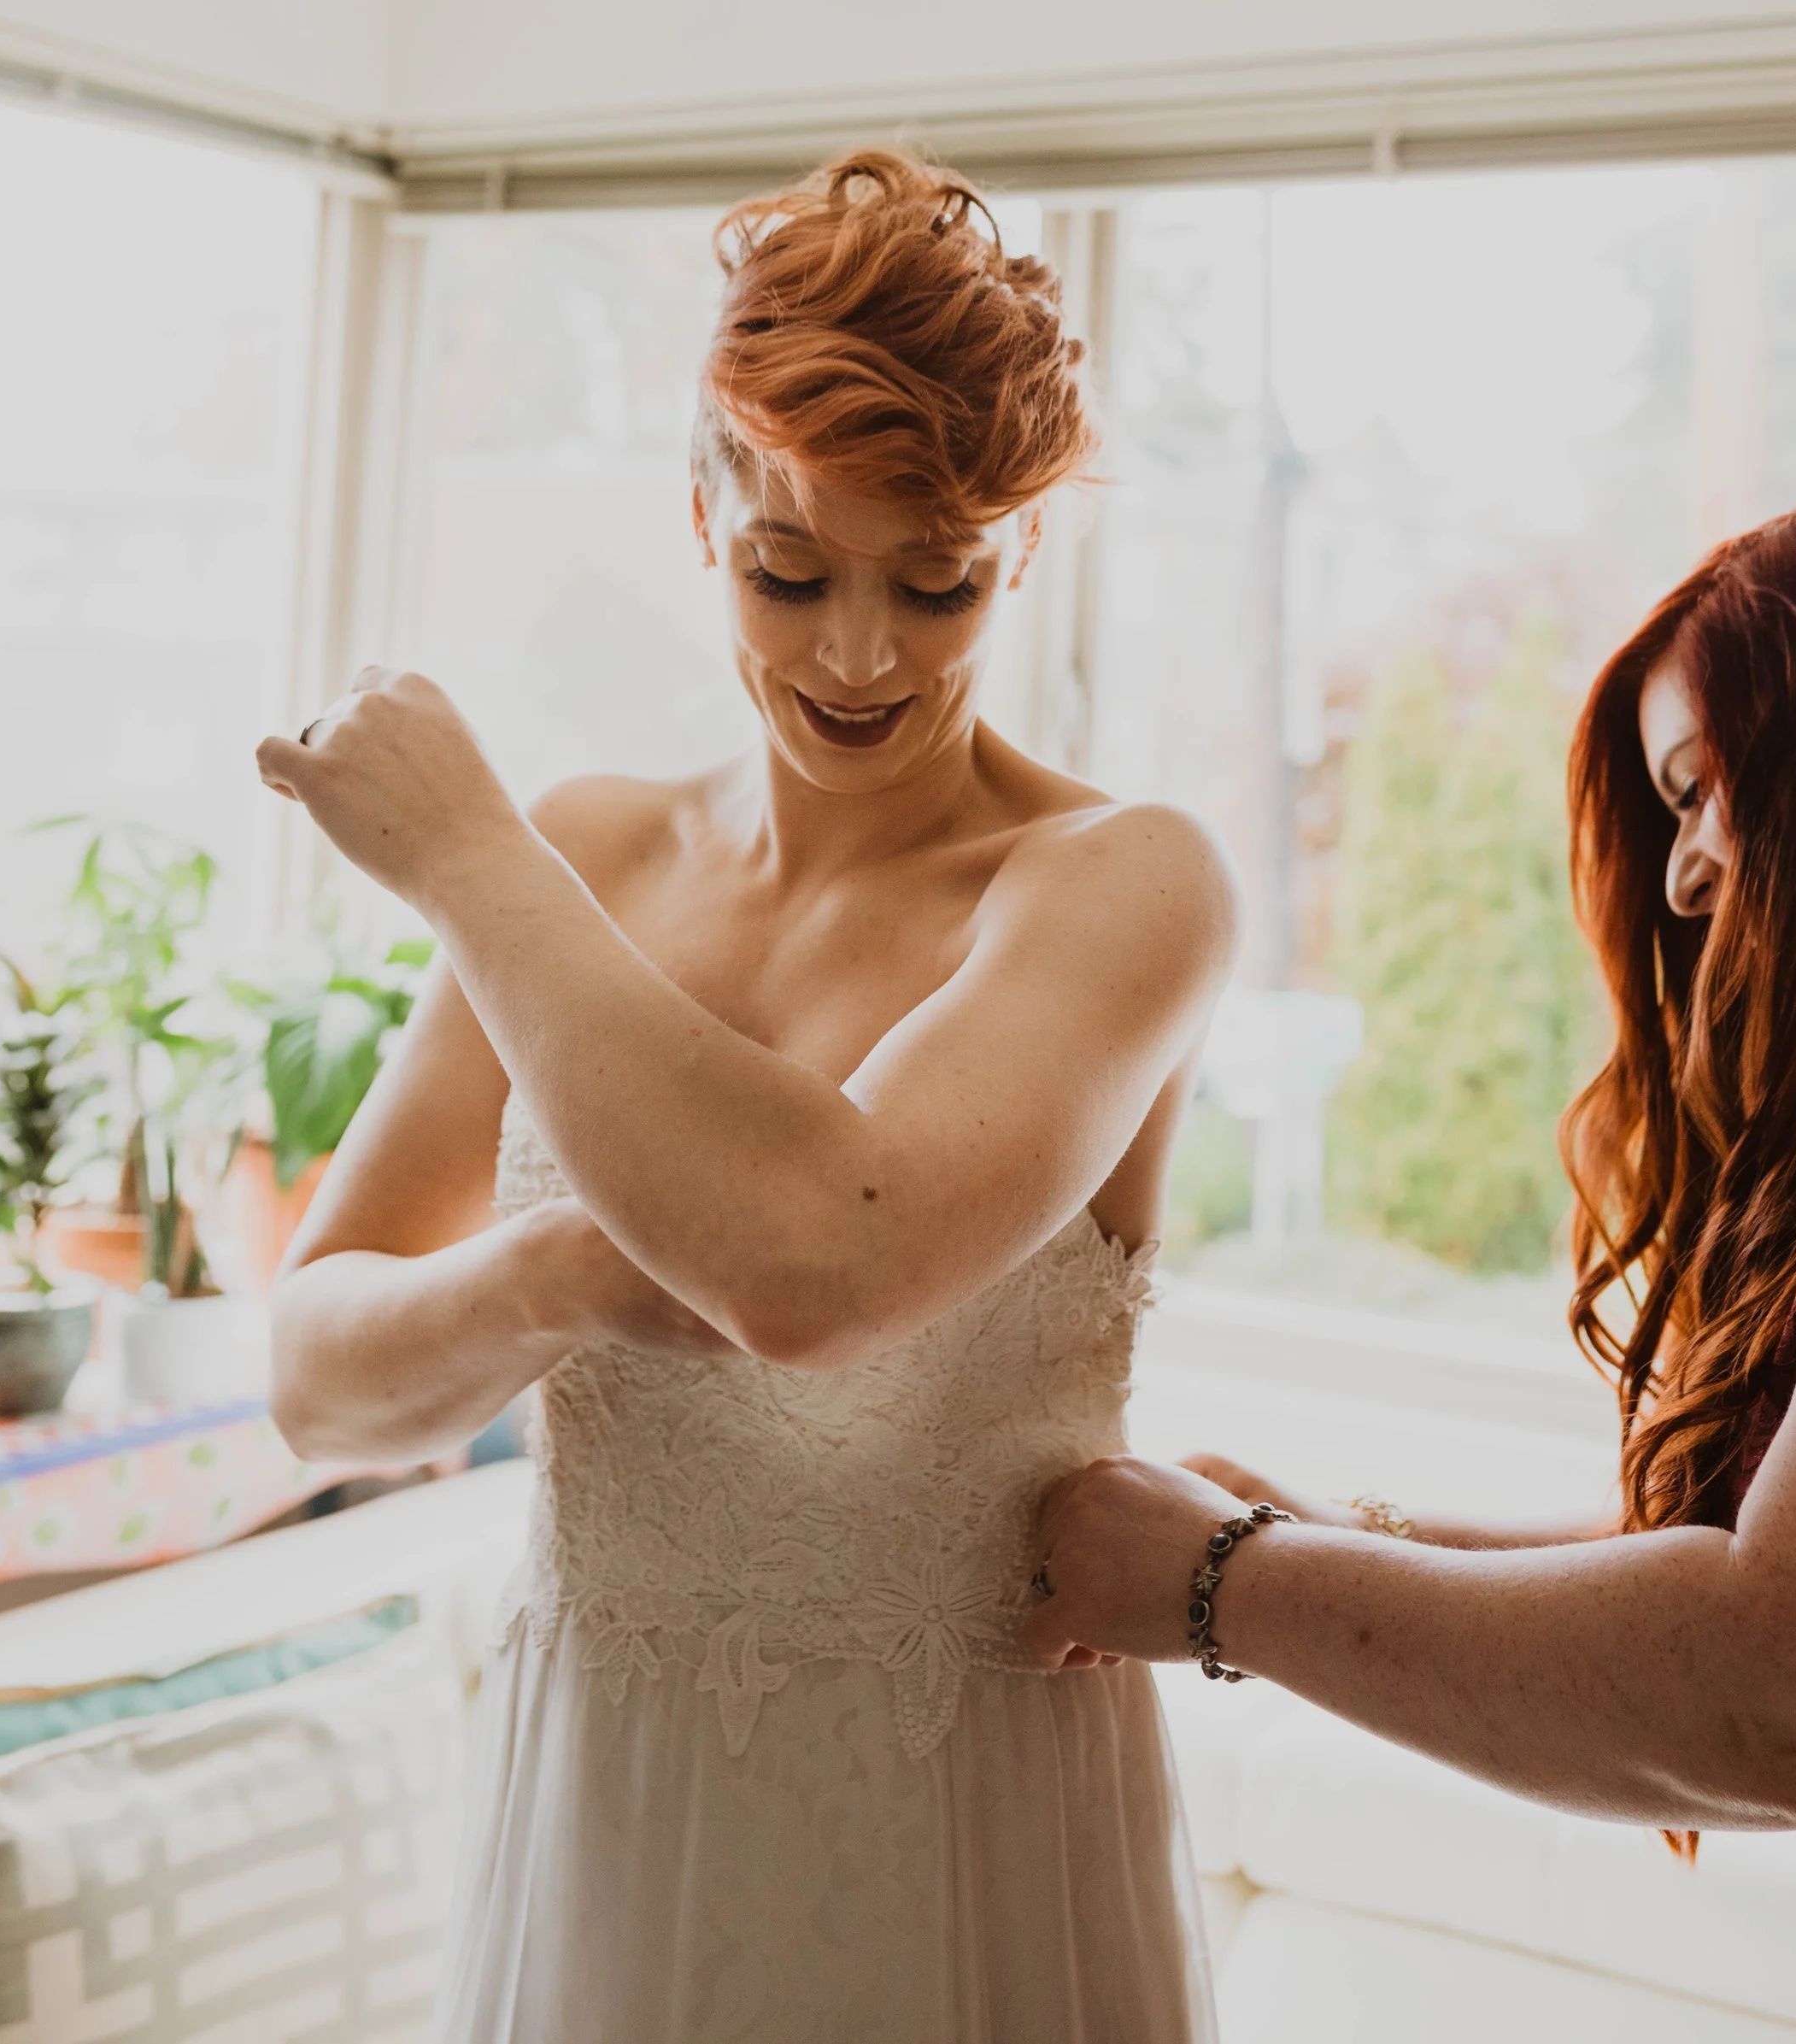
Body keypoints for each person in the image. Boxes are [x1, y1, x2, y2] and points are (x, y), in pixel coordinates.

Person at [260, 150, 1231, 2044]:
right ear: (699, 511)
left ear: (1021, 548)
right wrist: (549, 1275)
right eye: (791, 568)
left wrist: (463, 857)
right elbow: (312, 1378)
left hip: (962, 1848)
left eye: (934, 580)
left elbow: (815, 1266)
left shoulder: (1123, 883)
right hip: (606, 1818)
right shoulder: (589, 859)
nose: (858, 652)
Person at [1026, 479, 1796, 2044]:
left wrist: (1216, 1586)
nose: (1684, 877)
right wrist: (1318, 1526)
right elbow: (1745, 1544)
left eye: (1702, 786)